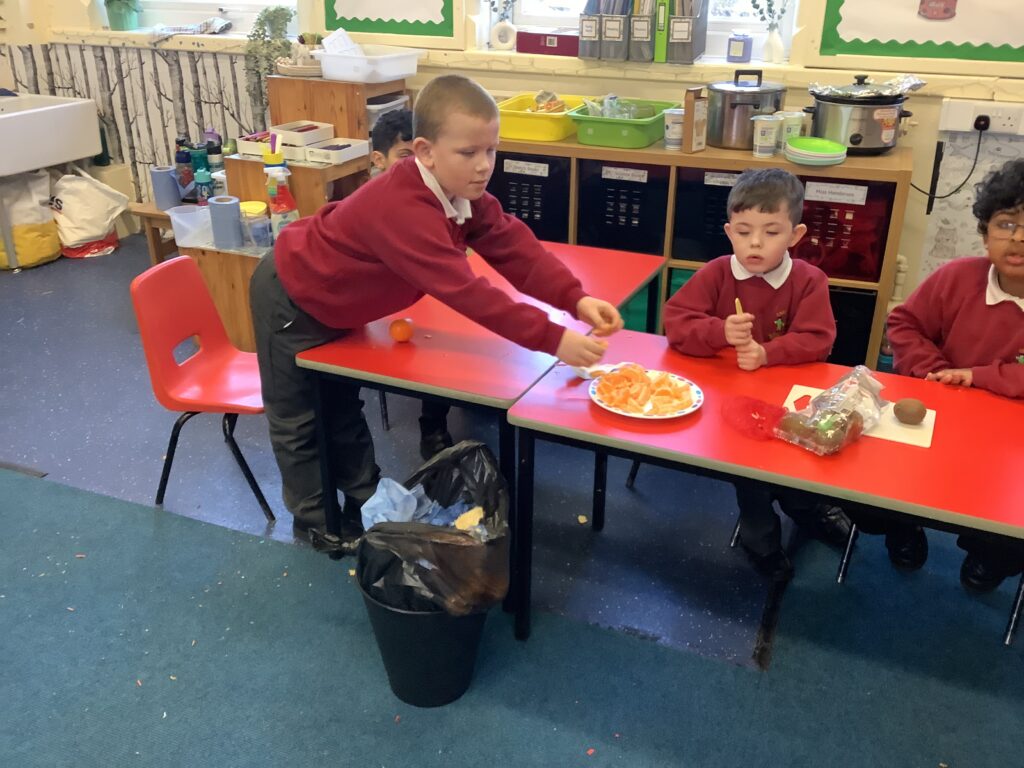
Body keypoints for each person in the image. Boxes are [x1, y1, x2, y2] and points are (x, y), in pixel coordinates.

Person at [249, 74, 623, 540]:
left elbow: (513, 246)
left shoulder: (459, 191)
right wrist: (553, 338)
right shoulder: (404, 206)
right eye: (468, 153)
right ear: (425, 151)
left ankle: (365, 504)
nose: (484, 166)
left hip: (338, 304)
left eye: (491, 149)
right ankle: (317, 524)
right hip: (292, 294)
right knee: (300, 420)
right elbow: (467, 292)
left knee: (342, 405)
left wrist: (576, 298)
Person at [662, 168, 851, 581]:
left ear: (795, 235)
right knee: (750, 476)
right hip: (729, 405)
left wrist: (768, 353)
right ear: (729, 231)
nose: (755, 244)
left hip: (790, 400)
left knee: (802, 460)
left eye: (770, 232)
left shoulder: (808, 280)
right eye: (744, 232)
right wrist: (719, 332)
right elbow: (674, 322)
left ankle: (807, 509)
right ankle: (760, 538)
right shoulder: (716, 273)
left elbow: (820, 339)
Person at [886, 158, 1024, 592]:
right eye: (1006, 223)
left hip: (1010, 442)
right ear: (985, 233)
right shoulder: (959, 277)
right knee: (876, 492)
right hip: (938, 418)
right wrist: (937, 372)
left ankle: (987, 555)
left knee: (1008, 530)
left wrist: (979, 376)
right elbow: (905, 325)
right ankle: (904, 527)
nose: (1018, 237)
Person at [371, 108, 455, 459]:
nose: (414, 166)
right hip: (381, 308)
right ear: (378, 160)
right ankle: (433, 425)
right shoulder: (375, 202)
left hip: (423, 302)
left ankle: (434, 419)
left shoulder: (431, 196)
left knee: (446, 345)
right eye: (404, 157)